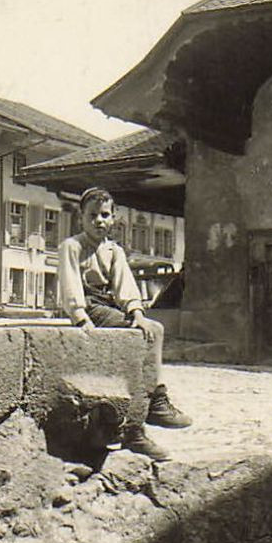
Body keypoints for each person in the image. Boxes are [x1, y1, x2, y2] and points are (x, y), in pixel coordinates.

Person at [57, 187, 192, 460]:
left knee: (153, 329)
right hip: (91, 308)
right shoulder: (72, 246)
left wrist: (136, 312)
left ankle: (154, 398)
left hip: (110, 306)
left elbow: (125, 286)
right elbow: (70, 285)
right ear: (81, 217)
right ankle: (142, 417)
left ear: (113, 218)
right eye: (92, 215)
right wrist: (80, 318)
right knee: (135, 341)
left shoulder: (113, 250)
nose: (99, 220)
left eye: (105, 215)